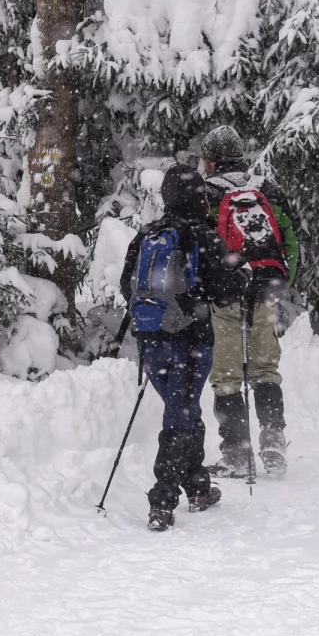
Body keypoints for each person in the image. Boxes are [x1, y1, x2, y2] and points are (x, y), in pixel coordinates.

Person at [120, 164, 246, 531]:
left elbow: (127, 285)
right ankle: (162, 500)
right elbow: (225, 292)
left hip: (151, 339)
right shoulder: (202, 236)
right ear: (198, 198)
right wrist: (242, 276)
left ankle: (198, 487)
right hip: (191, 340)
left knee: (184, 409)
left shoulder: (147, 235)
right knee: (181, 414)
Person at [200, 125, 300, 477]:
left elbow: (201, 246)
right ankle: (273, 444)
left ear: (211, 161)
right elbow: (290, 238)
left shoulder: (208, 194)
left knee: (227, 377)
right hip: (264, 291)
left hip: (226, 296)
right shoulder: (264, 189)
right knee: (265, 371)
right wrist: (279, 282)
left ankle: (236, 455)